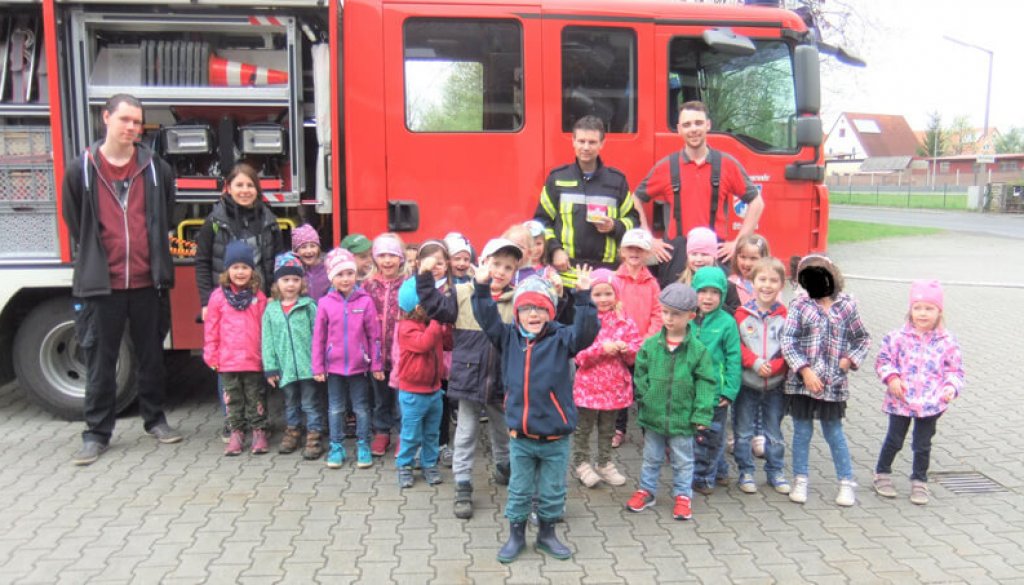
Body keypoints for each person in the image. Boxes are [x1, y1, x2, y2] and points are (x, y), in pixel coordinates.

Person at [63, 93, 182, 465]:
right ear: (106, 119)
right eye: (125, 120)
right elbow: (74, 219)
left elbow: (166, 213)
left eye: (137, 122)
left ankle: (156, 420)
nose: (132, 128)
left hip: (149, 281)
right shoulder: (80, 168)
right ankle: (97, 433)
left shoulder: (155, 168)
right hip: (103, 284)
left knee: (151, 357)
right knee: (101, 360)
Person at [472, 270, 599, 563]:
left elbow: (587, 332)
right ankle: (516, 536)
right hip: (521, 437)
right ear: (517, 312)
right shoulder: (507, 337)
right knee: (519, 490)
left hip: (556, 438)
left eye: (541, 308)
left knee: (553, 491)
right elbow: (486, 317)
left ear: (550, 312)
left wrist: (583, 297)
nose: (534, 313)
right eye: (527, 308)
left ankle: (546, 535)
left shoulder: (562, 338)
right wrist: (481, 287)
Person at [417, 238, 520, 519]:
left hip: (502, 380)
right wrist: (425, 277)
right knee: (465, 434)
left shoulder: (518, 299)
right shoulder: (462, 292)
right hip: (468, 377)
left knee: (503, 430)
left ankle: (504, 467)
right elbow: (435, 307)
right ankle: (463, 484)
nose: (500, 271)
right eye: (496, 264)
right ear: (482, 263)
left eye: (508, 267)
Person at [632, 100, 764, 284]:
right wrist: (648, 238)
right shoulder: (667, 167)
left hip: (714, 254)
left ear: (708, 125)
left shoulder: (726, 164)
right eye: (687, 125)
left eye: (698, 123)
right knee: (676, 310)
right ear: (679, 129)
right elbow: (635, 199)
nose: (693, 129)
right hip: (676, 255)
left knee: (714, 309)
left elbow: (756, 202)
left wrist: (738, 243)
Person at [781, 255, 871, 507]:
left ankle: (845, 482)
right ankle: (800, 478)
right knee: (802, 431)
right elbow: (788, 341)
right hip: (803, 384)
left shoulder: (847, 306)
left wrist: (848, 361)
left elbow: (862, 339)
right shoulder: (799, 305)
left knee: (834, 433)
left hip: (834, 384)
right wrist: (805, 371)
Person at [625, 283, 717, 521]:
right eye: (665, 312)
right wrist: (644, 395)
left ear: (690, 316)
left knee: (683, 460)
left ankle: (683, 495)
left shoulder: (698, 350)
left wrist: (701, 414)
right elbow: (640, 373)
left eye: (675, 314)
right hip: (653, 416)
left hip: (683, 417)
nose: (669, 318)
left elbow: (706, 383)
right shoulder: (650, 345)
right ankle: (647, 490)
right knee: (651, 457)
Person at [873, 280, 964, 505]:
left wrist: (950, 387)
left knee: (922, 444)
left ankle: (919, 480)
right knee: (894, 439)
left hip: (931, 403)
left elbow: (955, 370)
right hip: (900, 400)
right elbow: (883, 360)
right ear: (910, 310)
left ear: (939, 311)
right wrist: (892, 378)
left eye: (929, 308)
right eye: (918, 308)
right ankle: (882, 472)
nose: (923, 313)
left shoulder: (947, 341)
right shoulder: (897, 337)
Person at [534, 115, 639, 285]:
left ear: (602, 144)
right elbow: (541, 222)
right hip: (565, 276)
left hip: (605, 276)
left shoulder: (617, 181)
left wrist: (614, 226)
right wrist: (554, 251)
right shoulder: (557, 179)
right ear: (573, 142)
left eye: (592, 142)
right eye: (581, 141)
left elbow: (633, 222)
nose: (586, 147)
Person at [312, 248, 383, 469]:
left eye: (349, 273)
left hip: (359, 366)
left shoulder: (366, 301)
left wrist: (377, 364)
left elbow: (374, 335)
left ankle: (363, 445)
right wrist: (318, 366)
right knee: (335, 408)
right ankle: (336, 447)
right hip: (332, 368)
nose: (345, 279)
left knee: (362, 408)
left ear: (356, 275)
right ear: (332, 277)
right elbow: (319, 338)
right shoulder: (325, 303)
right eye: (340, 274)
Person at [571, 269, 641, 488]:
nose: (603, 299)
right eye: (597, 294)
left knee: (608, 429)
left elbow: (636, 352)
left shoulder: (625, 321)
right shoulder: (584, 320)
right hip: (588, 387)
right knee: (584, 427)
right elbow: (578, 355)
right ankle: (581, 463)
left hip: (614, 386)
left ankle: (604, 463)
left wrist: (625, 349)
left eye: (608, 293)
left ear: (616, 294)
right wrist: (601, 349)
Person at [203, 241, 269, 456]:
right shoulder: (218, 297)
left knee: (255, 396)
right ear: (227, 270)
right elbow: (211, 329)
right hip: (227, 360)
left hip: (253, 358)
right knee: (232, 398)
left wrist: (267, 356)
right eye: (235, 268)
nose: (240, 272)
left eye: (245, 267)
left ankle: (259, 431)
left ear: (252, 270)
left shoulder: (258, 297)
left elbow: (265, 329)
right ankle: (236, 432)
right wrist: (210, 354)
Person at [732, 257, 790, 494]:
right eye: (762, 279)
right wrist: (755, 362)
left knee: (773, 432)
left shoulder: (786, 316)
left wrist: (776, 366)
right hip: (748, 382)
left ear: (781, 285)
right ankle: (745, 472)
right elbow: (737, 346)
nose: (767, 285)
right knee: (743, 431)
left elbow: (790, 347)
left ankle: (775, 471)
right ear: (751, 283)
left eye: (773, 280)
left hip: (775, 384)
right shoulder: (741, 314)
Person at [195, 162, 283, 311]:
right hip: (225, 304)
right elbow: (203, 262)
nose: (245, 190)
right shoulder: (214, 221)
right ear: (229, 188)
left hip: (262, 302)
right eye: (239, 185)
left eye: (250, 185)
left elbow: (279, 261)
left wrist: (275, 295)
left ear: (257, 189)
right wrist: (206, 302)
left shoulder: (270, 221)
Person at [395, 265, 452, 488]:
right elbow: (424, 343)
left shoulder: (431, 325)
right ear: (419, 307)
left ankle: (429, 464)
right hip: (413, 393)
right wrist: (438, 321)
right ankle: (405, 465)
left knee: (432, 433)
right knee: (410, 435)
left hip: (434, 390)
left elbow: (447, 344)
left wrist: (446, 328)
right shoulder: (407, 327)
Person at [262, 252, 322, 458]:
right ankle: (293, 431)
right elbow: (267, 341)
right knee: (290, 402)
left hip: (308, 367)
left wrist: (320, 363)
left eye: (295, 280)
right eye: (285, 280)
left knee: (310, 403)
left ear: (302, 283)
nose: (290, 284)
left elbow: (318, 336)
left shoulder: (309, 307)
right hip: (285, 367)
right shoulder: (271, 310)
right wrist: (270, 367)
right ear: (277, 283)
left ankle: (314, 435)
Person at [689, 266, 742, 495]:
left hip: (715, 393)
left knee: (711, 437)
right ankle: (718, 470)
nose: (708, 298)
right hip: (691, 390)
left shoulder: (727, 323)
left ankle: (703, 478)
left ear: (722, 295)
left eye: (714, 292)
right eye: (702, 291)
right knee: (697, 436)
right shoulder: (687, 319)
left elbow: (733, 359)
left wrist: (729, 390)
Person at [610, 228, 663, 449]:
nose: (634, 253)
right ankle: (618, 428)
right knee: (620, 390)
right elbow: (610, 311)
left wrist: (646, 342)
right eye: (630, 248)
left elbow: (657, 314)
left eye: (640, 249)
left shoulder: (652, 283)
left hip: (644, 348)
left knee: (643, 390)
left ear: (647, 253)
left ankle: (648, 431)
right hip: (621, 347)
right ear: (622, 251)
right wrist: (621, 340)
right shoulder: (614, 280)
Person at [727, 233, 773, 458]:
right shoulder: (731, 284)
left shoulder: (767, 284)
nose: (746, 263)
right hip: (739, 349)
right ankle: (737, 433)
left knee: (759, 392)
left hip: (762, 350)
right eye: (742, 257)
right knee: (740, 393)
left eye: (753, 258)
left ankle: (758, 433)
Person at [362, 233, 407, 457]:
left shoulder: (408, 284)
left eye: (392, 255)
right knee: (380, 397)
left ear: (401, 258)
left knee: (401, 398)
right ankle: (381, 431)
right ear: (375, 258)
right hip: (376, 351)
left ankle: (402, 434)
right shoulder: (367, 285)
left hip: (402, 353)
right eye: (382, 255)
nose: (387, 260)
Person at [290, 224, 330, 301]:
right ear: (296, 251)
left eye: (312, 246)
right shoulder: (295, 270)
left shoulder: (328, 268)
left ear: (318, 248)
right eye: (303, 247)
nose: (309, 251)